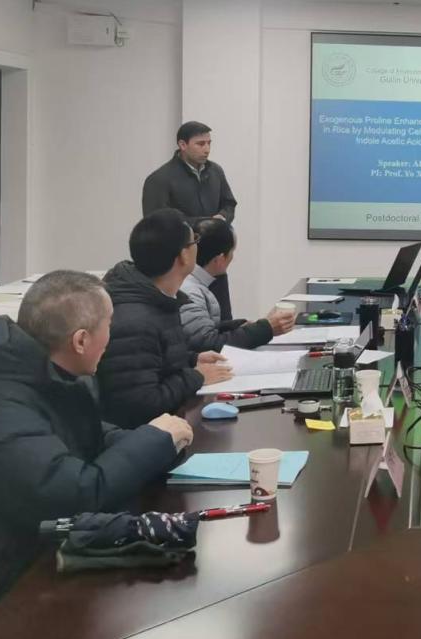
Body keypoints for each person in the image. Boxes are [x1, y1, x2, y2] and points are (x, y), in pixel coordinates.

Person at [0, 271, 194, 606]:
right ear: (81, 341)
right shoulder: (1, 401)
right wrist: (155, 440)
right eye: (109, 323)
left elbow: (86, 437)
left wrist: (158, 442)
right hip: (4, 586)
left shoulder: (45, 373)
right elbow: (73, 493)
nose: (112, 335)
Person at [98, 209, 233, 429]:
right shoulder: (134, 321)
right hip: (144, 436)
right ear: (183, 256)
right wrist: (196, 376)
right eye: (194, 240)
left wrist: (193, 359)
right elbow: (141, 404)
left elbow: (154, 361)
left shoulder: (158, 298)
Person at [142, 121, 237, 318]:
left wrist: (222, 217)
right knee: (191, 317)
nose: (207, 149)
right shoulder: (160, 179)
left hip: (214, 258)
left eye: (209, 143)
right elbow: (157, 221)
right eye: (200, 144)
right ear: (182, 145)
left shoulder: (215, 171)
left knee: (222, 316)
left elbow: (229, 203)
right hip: (181, 261)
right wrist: (205, 224)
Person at [180, 217, 295, 351]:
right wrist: (266, 328)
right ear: (219, 259)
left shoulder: (197, 283)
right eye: (232, 252)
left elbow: (208, 330)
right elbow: (208, 344)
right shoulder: (190, 292)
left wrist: (246, 326)